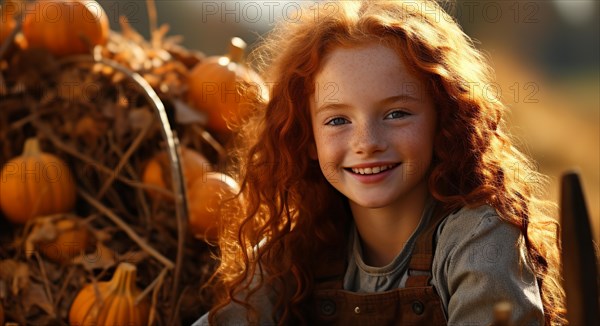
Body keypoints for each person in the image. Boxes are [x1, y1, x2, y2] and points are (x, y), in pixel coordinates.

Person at [193, 1, 565, 325]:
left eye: (397, 113)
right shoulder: (296, 251)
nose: (367, 143)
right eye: (338, 120)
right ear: (307, 140)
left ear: (445, 120)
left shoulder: (480, 239)